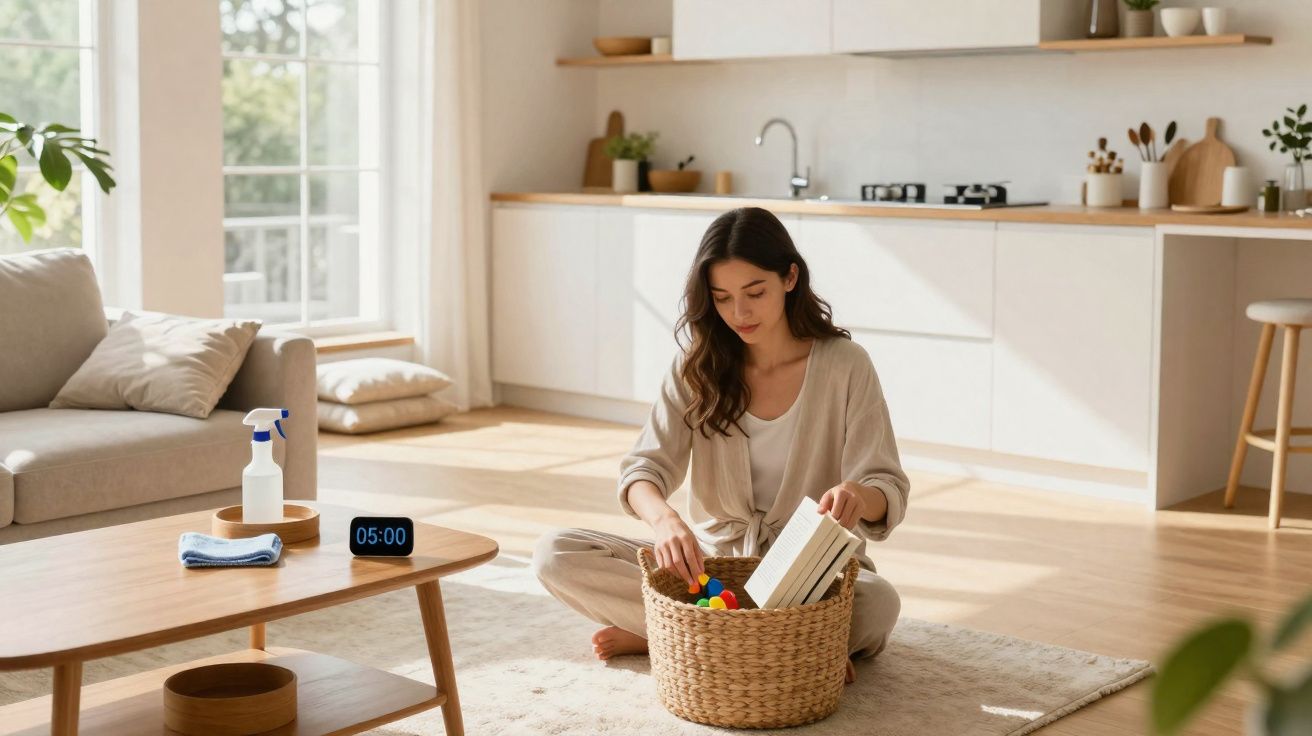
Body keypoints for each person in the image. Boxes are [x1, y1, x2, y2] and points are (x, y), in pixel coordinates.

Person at [533, 207, 908, 678]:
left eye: (755, 292)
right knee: (556, 553)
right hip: (711, 574)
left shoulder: (846, 365)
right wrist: (665, 519)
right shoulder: (698, 366)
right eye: (723, 298)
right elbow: (641, 473)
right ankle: (791, 653)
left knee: (878, 602)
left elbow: (885, 484)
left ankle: (677, 635)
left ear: (790, 277)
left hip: (809, 580)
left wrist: (858, 495)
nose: (740, 313)